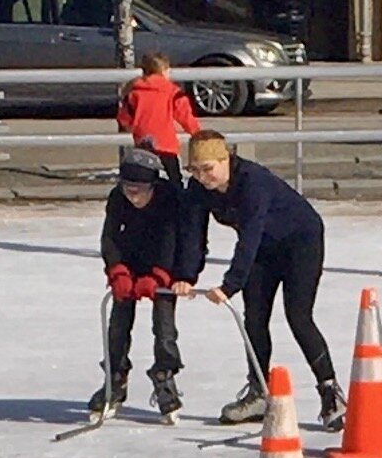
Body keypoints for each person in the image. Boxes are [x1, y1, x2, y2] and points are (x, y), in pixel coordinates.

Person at [177, 129, 342, 430]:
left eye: (208, 169)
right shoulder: (198, 189)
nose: (202, 177)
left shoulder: (253, 182)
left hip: (300, 242)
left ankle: (330, 392)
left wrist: (230, 285)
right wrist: (186, 275)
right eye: (195, 170)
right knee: (254, 318)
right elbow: (192, 234)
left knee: (299, 317)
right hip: (265, 249)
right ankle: (259, 391)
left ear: (225, 159)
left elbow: (249, 236)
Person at [93, 144, 184, 424]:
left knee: (164, 328)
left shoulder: (170, 199)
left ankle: (164, 378)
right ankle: (115, 380)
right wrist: (117, 270)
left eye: (139, 190)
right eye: (127, 189)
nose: (133, 197)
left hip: (162, 267)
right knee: (118, 326)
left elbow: (173, 240)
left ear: (153, 185)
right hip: (129, 264)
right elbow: (109, 237)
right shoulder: (117, 199)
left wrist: (159, 275)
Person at [114, 48, 200, 178]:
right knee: (174, 181)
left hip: (143, 144)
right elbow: (185, 116)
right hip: (167, 145)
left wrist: (133, 127)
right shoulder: (172, 91)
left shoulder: (133, 92)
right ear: (164, 71)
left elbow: (124, 118)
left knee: (146, 180)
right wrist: (197, 133)